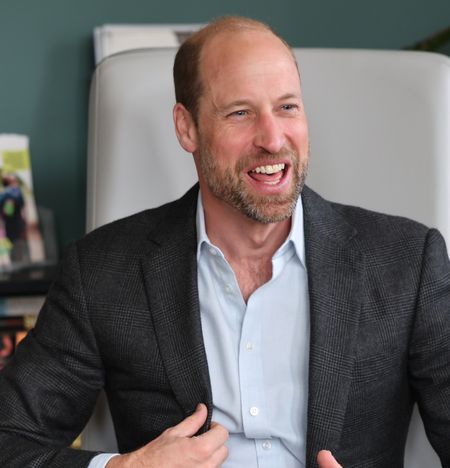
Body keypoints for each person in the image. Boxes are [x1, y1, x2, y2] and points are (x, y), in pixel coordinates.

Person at [0, 16, 449, 468]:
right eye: (240, 113)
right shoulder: (101, 273)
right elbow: (9, 439)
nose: (273, 139)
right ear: (187, 127)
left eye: (288, 107)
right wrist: (125, 467)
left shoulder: (409, 264)